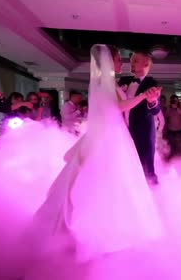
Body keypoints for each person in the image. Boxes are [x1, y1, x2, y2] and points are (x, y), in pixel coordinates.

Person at [30, 45, 162, 262]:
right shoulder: (109, 82)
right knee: (111, 180)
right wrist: (139, 98)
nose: (126, 63)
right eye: (121, 60)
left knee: (123, 178)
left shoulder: (123, 82)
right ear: (109, 61)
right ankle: (108, 228)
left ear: (146, 63)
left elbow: (153, 110)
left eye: (133, 60)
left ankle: (116, 221)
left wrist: (150, 99)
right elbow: (117, 107)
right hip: (113, 136)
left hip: (127, 135)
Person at [119, 52, 162, 185]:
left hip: (144, 131)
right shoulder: (123, 81)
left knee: (146, 164)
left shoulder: (152, 83)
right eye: (131, 61)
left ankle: (153, 192)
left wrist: (152, 101)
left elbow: (155, 110)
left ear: (146, 64)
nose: (132, 63)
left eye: (136, 61)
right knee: (127, 164)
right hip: (123, 130)